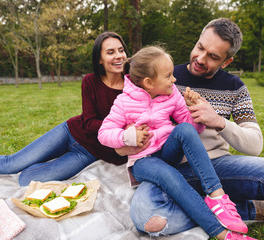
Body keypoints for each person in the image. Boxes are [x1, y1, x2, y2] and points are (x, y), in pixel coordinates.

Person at [129, 18, 264, 240]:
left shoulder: (235, 87)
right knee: (145, 215)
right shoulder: (165, 77)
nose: (200, 58)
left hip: (217, 168)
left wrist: (219, 121)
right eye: (200, 47)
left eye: (213, 56)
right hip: (171, 171)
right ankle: (248, 210)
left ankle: (223, 205)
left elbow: (255, 145)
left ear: (226, 61)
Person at [98, 46, 255, 239]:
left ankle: (216, 196)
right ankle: (222, 233)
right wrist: (129, 136)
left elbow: (191, 128)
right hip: (143, 161)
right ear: (149, 82)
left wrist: (193, 109)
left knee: (184, 129)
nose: (174, 79)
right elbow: (104, 133)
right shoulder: (123, 102)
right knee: (169, 175)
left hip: (167, 153)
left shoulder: (171, 94)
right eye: (169, 75)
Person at [0, 32, 150, 186]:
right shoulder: (90, 81)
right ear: (100, 60)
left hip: (89, 152)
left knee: (26, 179)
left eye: (121, 50)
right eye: (110, 52)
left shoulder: (135, 86)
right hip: (70, 132)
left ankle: (34, 162)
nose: (119, 56)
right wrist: (123, 130)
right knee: (11, 164)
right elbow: (88, 122)